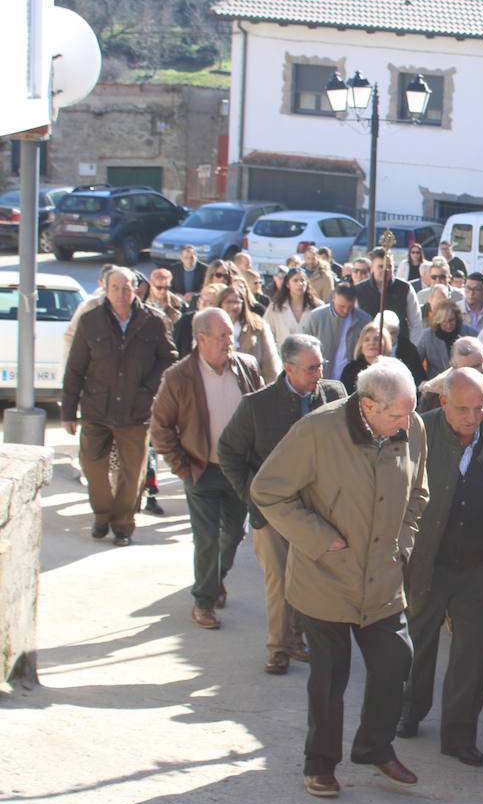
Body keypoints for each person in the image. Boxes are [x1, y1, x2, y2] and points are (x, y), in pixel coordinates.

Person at [251, 357, 428, 799]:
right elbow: (267, 490)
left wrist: (401, 543)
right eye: (396, 414)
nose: (406, 423)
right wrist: (318, 537)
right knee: (330, 677)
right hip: (325, 576)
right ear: (367, 406)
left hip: (383, 578)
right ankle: (320, 764)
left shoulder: (413, 427)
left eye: (409, 412)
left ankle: (374, 746)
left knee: (395, 661)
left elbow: (420, 492)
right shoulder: (317, 431)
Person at [398, 368, 483, 765]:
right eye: (463, 409)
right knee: (416, 641)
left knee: (473, 654)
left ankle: (459, 735)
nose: (472, 417)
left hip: (480, 564)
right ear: (443, 402)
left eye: (479, 407)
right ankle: (407, 710)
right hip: (428, 560)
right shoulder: (418, 431)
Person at [218, 334, 346, 672]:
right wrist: (253, 495)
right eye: (311, 368)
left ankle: (299, 639)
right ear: (288, 369)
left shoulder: (335, 396)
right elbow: (229, 452)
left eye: (321, 366)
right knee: (279, 579)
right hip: (272, 513)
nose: (319, 373)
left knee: (313, 578)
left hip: (318, 510)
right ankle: (279, 648)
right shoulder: (256, 406)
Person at [150, 308, 265, 627]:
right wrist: (182, 467)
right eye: (223, 335)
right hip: (201, 469)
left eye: (232, 333)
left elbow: (261, 413)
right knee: (207, 538)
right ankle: (203, 602)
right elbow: (160, 428)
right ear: (201, 339)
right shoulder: (178, 376)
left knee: (233, 535)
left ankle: (215, 579)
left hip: (239, 471)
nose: (232, 340)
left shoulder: (247, 367)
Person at [61, 267, 178, 547]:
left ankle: (123, 525)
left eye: (127, 287)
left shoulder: (153, 321)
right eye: (115, 288)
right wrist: (68, 411)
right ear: (106, 289)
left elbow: (169, 359)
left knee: (132, 472)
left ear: (136, 288)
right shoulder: (90, 321)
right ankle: (102, 515)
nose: (122, 294)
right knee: (92, 465)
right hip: (96, 408)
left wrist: (148, 390)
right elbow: (75, 368)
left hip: (135, 412)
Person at [216, 278, 281, 383]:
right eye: (228, 302)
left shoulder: (258, 327)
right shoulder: (211, 326)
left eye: (237, 302)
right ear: (220, 304)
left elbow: (270, 363)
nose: (233, 306)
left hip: (251, 388)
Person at [355, 247, 423, 348]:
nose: (385, 270)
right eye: (380, 266)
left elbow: (416, 322)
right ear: (372, 267)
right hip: (369, 348)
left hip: (399, 347)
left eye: (389, 266)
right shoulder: (359, 290)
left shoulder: (404, 288)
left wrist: (411, 348)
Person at [302, 282, 371, 380]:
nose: (346, 311)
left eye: (350, 307)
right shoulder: (316, 317)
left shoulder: (364, 320)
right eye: (342, 306)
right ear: (333, 298)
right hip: (320, 376)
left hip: (350, 377)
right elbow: (303, 346)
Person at [264, 267, 322, 350]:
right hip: (283, 357)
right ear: (287, 284)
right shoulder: (276, 307)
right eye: (295, 280)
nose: (300, 284)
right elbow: (267, 333)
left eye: (302, 280)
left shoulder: (317, 307)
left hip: (309, 357)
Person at [415, 299, 468, 376]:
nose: (448, 325)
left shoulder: (469, 333)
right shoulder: (427, 336)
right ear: (437, 321)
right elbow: (416, 362)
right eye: (444, 321)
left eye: (451, 320)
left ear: (457, 318)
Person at [340, 319, 391, 395]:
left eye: (376, 339)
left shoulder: (393, 368)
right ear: (361, 345)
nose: (372, 343)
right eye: (367, 340)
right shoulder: (350, 370)